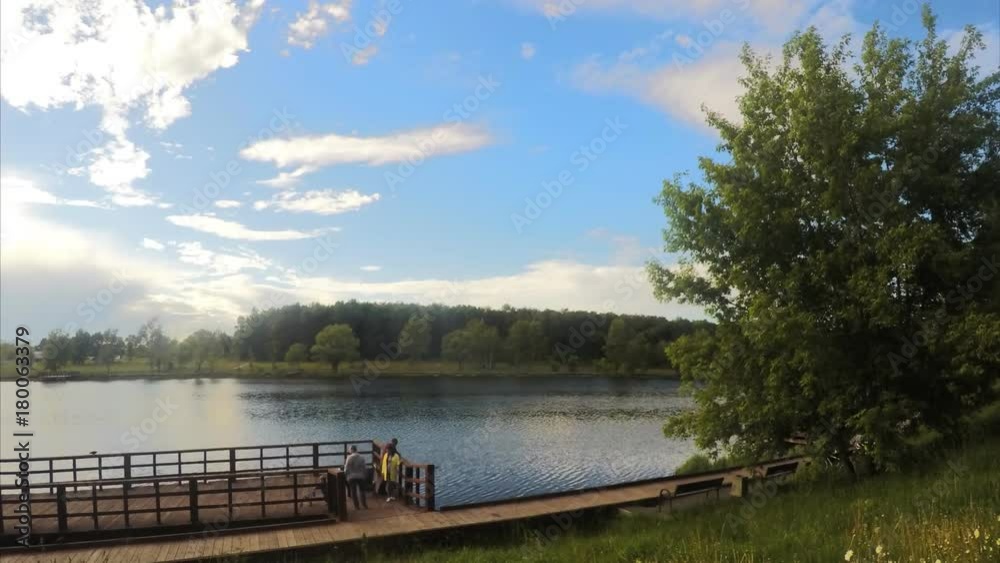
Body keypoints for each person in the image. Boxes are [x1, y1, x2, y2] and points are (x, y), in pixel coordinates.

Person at [343, 445, 368, 510]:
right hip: (361, 476)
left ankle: (357, 506)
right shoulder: (361, 457)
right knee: (362, 491)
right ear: (356, 449)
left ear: (351, 450)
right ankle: (364, 504)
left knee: (353, 492)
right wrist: (365, 475)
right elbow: (364, 468)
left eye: (350, 450)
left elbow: (346, 468)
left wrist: (345, 475)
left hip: (351, 477)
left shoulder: (349, 458)